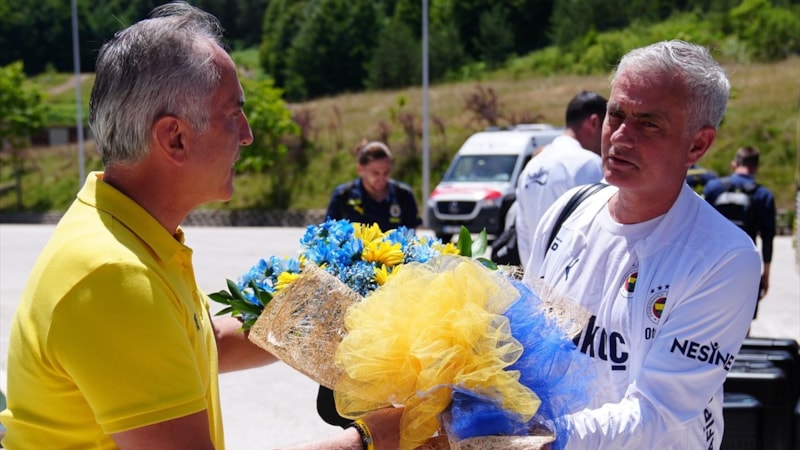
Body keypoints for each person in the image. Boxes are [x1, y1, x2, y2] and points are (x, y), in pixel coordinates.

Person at [0, 3, 401, 449]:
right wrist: (370, 440)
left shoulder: (124, 231)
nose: (247, 134)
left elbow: (203, 342)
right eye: (233, 113)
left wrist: (344, 314)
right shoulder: (114, 273)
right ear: (174, 137)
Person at [522, 40, 761, 448]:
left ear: (698, 145)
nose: (620, 137)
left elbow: (659, 413)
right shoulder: (567, 211)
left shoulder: (724, 258)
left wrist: (548, 438)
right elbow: (523, 345)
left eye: (648, 123)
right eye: (616, 114)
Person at [514, 91, 607, 268]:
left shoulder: (532, 166)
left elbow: (523, 233)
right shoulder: (587, 162)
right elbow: (598, 233)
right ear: (594, 122)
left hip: (536, 280)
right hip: (571, 282)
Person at [703, 145, 776, 311]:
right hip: (746, 267)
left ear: (734, 164)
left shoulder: (713, 188)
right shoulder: (763, 195)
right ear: (756, 167)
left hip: (711, 266)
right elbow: (768, 237)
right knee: (742, 321)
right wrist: (766, 274)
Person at [326, 139, 422, 231]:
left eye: (386, 172)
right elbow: (330, 233)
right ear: (360, 169)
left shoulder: (404, 195)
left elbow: (411, 235)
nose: (381, 178)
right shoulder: (344, 195)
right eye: (375, 173)